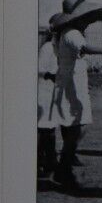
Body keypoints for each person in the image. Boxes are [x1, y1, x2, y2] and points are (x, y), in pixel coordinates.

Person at [45, 0, 102, 187]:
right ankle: (64, 167)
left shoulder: (65, 33)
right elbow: (84, 48)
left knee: (71, 126)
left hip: (68, 81)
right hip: (71, 84)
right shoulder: (73, 33)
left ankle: (66, 164)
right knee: (78, 127)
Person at [36, 21, 58, 179]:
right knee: (45, 129)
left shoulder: (57, 49)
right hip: (44, 90)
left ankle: (49, 161)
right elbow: (39, 69)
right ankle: (41, 163)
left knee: (50, 128)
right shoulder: (48, 47)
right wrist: (53, 75)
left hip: (52, 91)